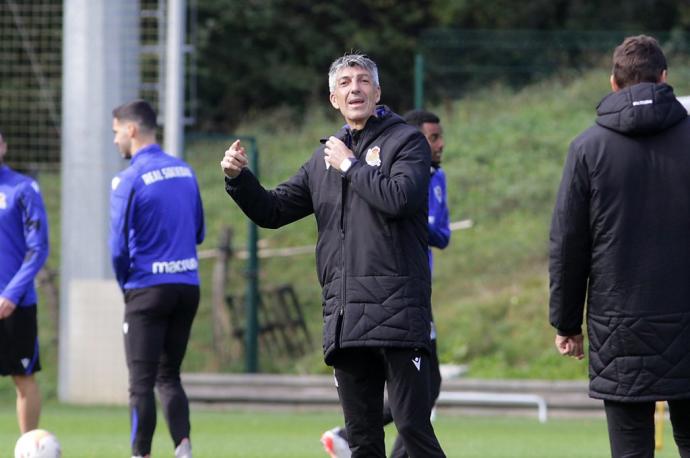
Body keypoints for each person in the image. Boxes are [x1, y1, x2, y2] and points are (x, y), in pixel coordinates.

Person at [221, 54, 446, 458]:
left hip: (397, 313)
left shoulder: (405, 141)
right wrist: (239, 179)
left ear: (377, 93)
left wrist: (350, 165)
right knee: (362, 440)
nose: (354, 88)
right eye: (345, 83)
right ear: (333, 98)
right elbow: (273, 211)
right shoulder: (323, 157)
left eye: (363, 81)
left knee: (413, 429)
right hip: (345, 319)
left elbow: (400, 199)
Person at [549, 35, 690, 458]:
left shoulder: (587, 148)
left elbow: (569, 243)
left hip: (620, 327)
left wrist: (567, 323)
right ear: (665, 78)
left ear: (613, 83)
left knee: (630, 449)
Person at [320, 109, 451, 458]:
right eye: (432, 137)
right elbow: (403, 208)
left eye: (439, 137)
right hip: (391, 297)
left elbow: (435, 228)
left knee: (424, 392)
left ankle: (351, 435)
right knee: (417, 400)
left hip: (412, 296)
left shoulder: (436, 175)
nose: (438, 144)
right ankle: (349, 433)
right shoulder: (394, 170)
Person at [110, 100, 205, 458]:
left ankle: (140, 454)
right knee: (170, 376)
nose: (116, 140)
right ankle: (183, 448)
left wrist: (126, 287)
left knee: (141, 384)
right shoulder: (185, 170)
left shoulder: (127, 178)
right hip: (187, 286)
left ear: (132, 130)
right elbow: (198, 231)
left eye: (117, 132)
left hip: (146, 289)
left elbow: (117, 246)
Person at [0, 130, 49, 434]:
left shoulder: (23, 188)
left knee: (23, 377)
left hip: (15, 303)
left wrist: (11, 294)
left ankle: (28, 448)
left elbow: (38, 247)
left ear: (3, 146)